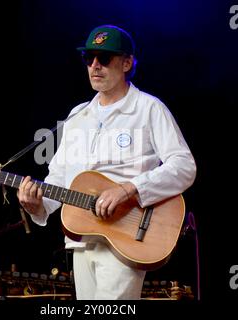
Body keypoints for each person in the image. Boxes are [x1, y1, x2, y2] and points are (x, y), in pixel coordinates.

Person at [17, 24, 196, 300]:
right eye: (89, 58)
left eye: (105, 58)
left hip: (127, 237)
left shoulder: (149, 108)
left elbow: (184, 166)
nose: (95, 66)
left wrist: (129, 188)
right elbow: (59, 178)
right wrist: (37, 205)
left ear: (127, 63)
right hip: (80, 239)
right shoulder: (78, 116)